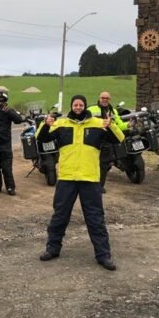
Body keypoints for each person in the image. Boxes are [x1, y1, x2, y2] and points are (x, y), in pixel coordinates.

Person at [37, 95, 125, 271]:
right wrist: (45, 124)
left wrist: (111, 125)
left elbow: (119, 139)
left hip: (89, 178)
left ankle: (103, 255)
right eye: (75, 104)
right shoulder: (61, 124)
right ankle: (52, 249)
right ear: (72, 106)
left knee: (95, 218)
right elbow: (41, 138)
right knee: (60, 215)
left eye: (81, 104)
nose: (78, 107)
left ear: (85, 106)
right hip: (67, 178)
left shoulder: (98, 124)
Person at [0, 88, 25, 196]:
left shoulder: (9, 111)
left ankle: (10, 187)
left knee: (7, 168)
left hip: (5, 145)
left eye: (3, 100)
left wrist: (9, 111)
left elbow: (19, 119)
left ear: (6, 100)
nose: (1, 102)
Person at [86, 91, 129, 193]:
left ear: (110, 99)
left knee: (104, 165)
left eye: (107, 98)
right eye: (103, 98)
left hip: (107, 142)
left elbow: (119, 125)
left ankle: (99, 186)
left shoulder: (113, 111)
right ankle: (88, 184)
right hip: (94, 141)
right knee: (91, 163)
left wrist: (129, 125)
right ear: (99, 98)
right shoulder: (91, 109)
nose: (105, 100)